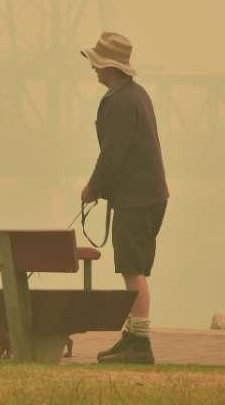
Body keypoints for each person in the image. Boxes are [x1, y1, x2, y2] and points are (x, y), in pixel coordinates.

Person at [79, 32, 169, 364]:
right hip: (148, 195)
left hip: (137, 198)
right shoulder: (137, 95)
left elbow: (112, 154)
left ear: (109, 67)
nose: (93, 69)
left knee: (132, 269)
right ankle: (131, 336)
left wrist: (94, 188)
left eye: (96, 64)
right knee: (134, 267)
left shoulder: (117, 101)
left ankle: (140, 344)